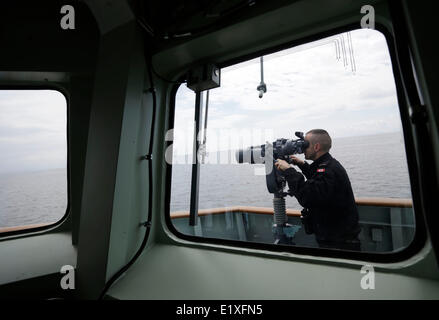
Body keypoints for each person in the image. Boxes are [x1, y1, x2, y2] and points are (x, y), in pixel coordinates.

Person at [274, 129, 361, 251]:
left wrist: (289, 171)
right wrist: (302, 165)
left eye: (305, 144)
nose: (302, 148)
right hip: (336, 236)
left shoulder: (328, 170)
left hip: (339, 243)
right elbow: (318, 181)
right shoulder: (328, 164)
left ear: (316, 147)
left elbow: (308, 196)